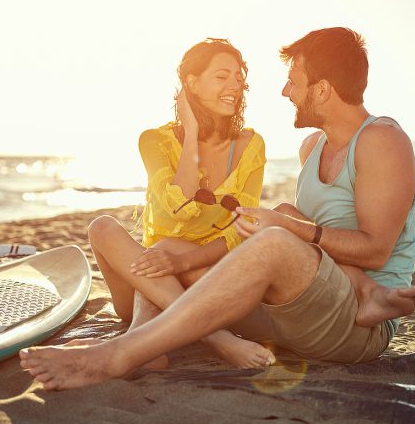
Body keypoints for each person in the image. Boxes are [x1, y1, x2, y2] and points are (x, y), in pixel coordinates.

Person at [20, 27, 415, 390]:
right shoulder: (311, 149)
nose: (285, 92)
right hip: (299, 308)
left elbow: (375, 250)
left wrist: (285, 227)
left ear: (321, 91)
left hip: (356, 321)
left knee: (275, 240)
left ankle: (117, 355)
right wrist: (281, 223)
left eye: (293, 82)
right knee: (178, 253)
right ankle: (160, 340)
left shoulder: (382, 140)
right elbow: (307, 243)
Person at [81, 38, 276, 369]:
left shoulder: (250, 146)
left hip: (207, 279)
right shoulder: (154, 141)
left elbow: (241, 231)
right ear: (192, 84)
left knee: (170, 247)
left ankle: (139, 341)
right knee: (102, 227)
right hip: (148, 277)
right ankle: (217, 338)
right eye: (222, 76)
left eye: (239, 79)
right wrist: (192, 134)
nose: (235, 87)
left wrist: (182, 263)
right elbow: (179, 206)